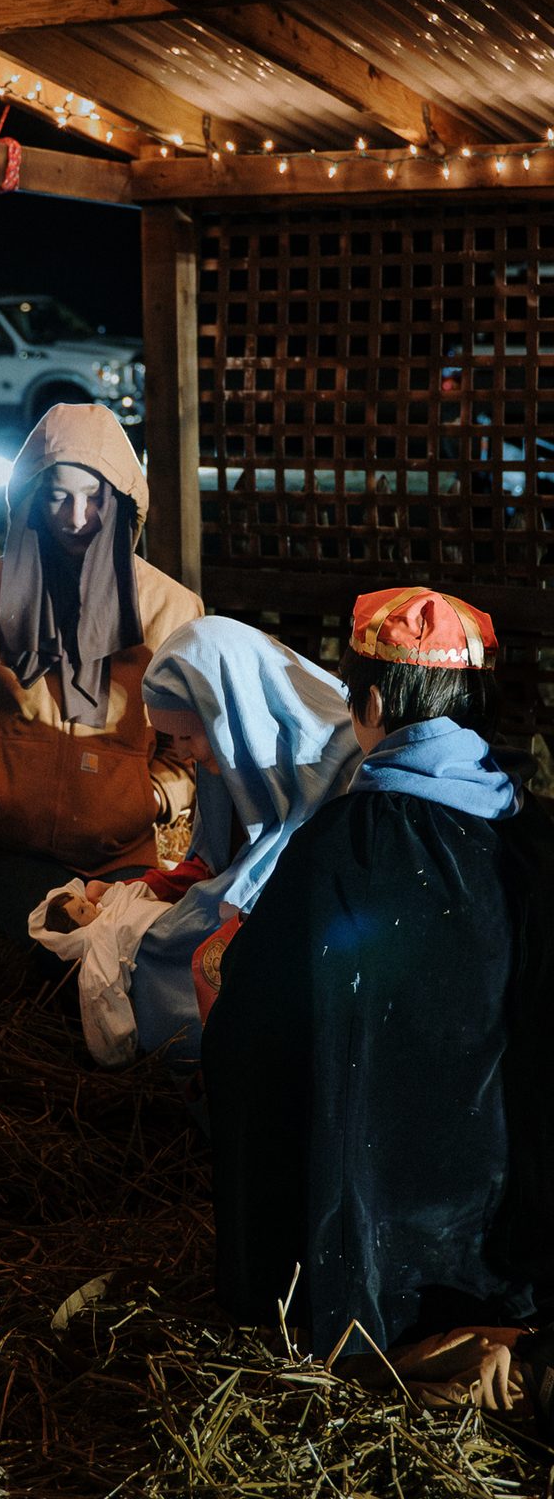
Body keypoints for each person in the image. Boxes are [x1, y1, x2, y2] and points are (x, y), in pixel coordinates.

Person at [203, 588, 554, 1412]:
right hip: (516, 1229)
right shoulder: (531, 843)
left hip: (368, 1246)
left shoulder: (337, 851)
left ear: (367, 703)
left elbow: (255, 1035)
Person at [0, 402, 204, 940]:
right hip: (11, 854)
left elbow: (192, 740)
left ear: (120, 502)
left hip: (122, 858)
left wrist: (154, 796)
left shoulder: (170, 610)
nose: (75, 517)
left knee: (134, 958)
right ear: (30, 500)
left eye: (94, 498)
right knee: (61, 952)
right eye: (57, 496)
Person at [91, 617, 362, 1077]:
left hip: (320, 949)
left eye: (189, 735)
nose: (184, 754)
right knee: (138, 947)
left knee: (159, 959)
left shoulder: (338, 766)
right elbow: (213, 863)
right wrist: (139, 892)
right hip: (257, 928)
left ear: (231, 714)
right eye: (171, 739)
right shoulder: (233, 759)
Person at [30, 877, 170, 1068]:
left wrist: (114, 892)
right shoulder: (95, 948)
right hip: (154, 943)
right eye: (81, 911)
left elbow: (132, 890)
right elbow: (101, 992)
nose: (89, 906)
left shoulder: (106, 907)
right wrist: (122, 1047)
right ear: (73, 930)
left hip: (162, 918)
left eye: (83, 902)